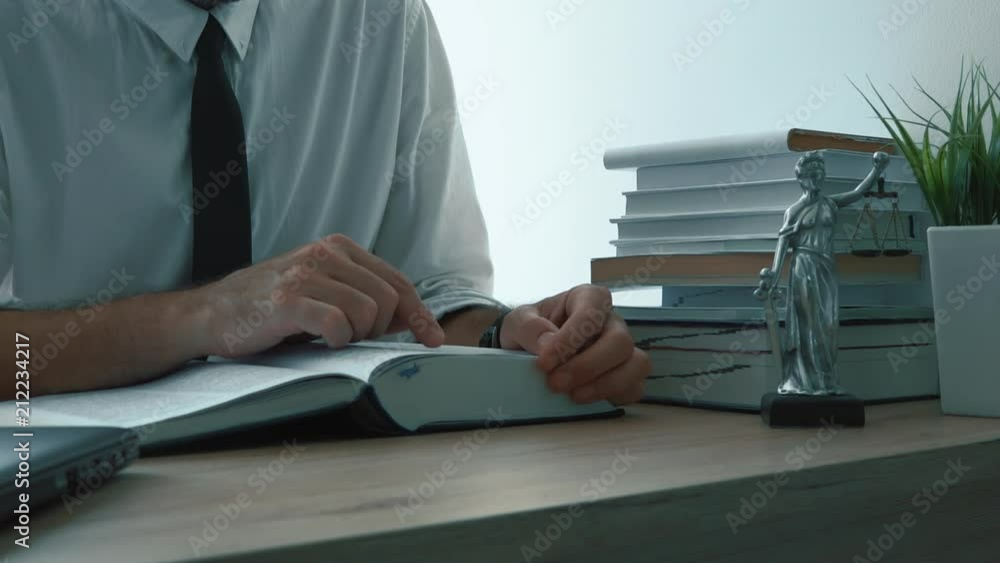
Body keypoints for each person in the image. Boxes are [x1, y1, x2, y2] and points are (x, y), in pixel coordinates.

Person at [0, 0, 649, 403]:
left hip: (326, 489)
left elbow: (428, 300)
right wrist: (203, 317)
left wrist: (511, 333)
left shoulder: (380, 18)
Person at [756, 151, 890, 395]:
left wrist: (877, 170)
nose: (818, 180)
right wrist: (773, 276)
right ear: (802, 179)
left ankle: (825, 382)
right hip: (804, 268)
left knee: (827, 325)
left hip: (826, 268)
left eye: (821, 175)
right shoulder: (794, 211)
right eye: (813, 175)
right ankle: (804, 382)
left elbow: (858, 193)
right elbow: (783, 244)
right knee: (809, 326)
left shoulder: (830, 203)